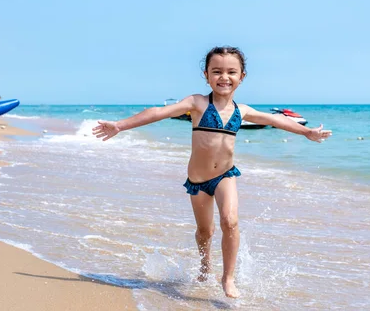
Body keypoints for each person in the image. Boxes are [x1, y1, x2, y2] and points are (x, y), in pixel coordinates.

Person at [92, 46, 332, 298]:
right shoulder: (197, 103)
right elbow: (158, 113)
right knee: (205, 232)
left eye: (231, 72)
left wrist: (307, 132)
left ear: (242, 77)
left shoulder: (243, 111)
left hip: (225, 176)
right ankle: (205, 266)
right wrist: (120, 125)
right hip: (197, 181)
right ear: (206, 75)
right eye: (216, 71)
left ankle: (228, 278)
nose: (224, 77)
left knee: (230, 221)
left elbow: (275, 120)